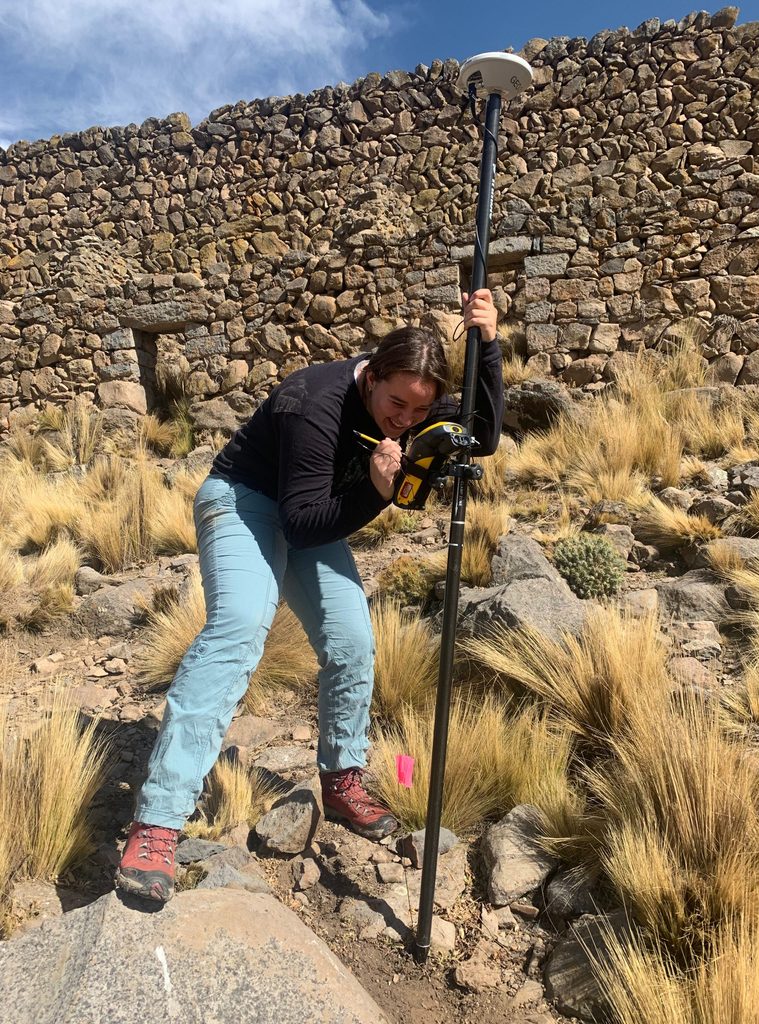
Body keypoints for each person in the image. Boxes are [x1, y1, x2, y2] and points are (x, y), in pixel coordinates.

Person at [116, 289, 503, 902]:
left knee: (351, 637)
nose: (403, 420)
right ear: (371, 377)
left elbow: (477, 436)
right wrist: (377, 492)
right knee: (240, 627)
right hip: (245, 502)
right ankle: (158, 821)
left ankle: (342, 775)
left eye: (417, 410)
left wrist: (488, 347)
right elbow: (297, 524)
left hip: (316, 510)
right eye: (395, 404)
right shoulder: (313, 404)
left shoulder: (412, 401)